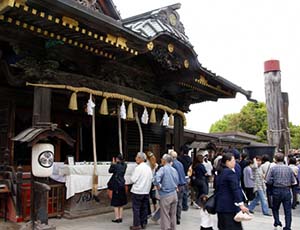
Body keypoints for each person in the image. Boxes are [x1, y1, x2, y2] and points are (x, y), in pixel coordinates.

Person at [215, 152, 249, 230]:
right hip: (229, 207)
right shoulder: (230, 173)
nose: (235, 163)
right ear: (227, 161)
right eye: (233, 161)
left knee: (222, 227)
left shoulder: (220, 172)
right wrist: (241, 205)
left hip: (220, 206)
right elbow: (235, 189)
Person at [266, 152, 297, 230]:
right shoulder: (289, 168)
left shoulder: (273, 169)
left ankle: (277, 220)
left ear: (276, 159)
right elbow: (293, 181)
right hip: (286, 190)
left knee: (275, 207)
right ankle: (288, 226)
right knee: (287, 210)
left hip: (276, 190)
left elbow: (268, 181)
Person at [154, 154, 179, 230]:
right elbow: (177, 181)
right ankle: (172, 228)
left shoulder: (163, 169)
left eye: (161, 159)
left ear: (164, 160)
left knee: (165, 215)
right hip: (174, 194)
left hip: (166, 194)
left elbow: (156, 179)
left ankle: (166, 228)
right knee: (173, 214)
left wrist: (158, 186)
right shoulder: (174, 170)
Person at [130, 152, 153, 230]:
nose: (135, 158)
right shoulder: (148, 168)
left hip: (137, 191)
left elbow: (133, 179)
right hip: (146, 191)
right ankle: (144, 223)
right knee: (144, 207)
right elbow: (151, 179)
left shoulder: (138, 168)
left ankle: (137, 224)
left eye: (136, 157)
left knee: (136, 208)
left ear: (140, 158)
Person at [107, 154, 127, 223]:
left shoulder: (115, 166)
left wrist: (112, 164)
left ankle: (117, 217)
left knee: (115, 202)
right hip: (122, 184)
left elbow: (110, 171)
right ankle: (120, 217)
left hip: (116, 185)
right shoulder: (125, 165)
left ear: (117, 159)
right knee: (121, 203)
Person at [169, 151, 187, 225]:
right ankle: (178, 218)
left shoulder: (172, 164)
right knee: (179, 202)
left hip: (177, 185)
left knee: (173, 203)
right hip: (182, 184)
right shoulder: (180, 163)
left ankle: (173, 219)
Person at [178, 145, 192, 211]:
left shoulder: (180, 158)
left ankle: (180, 206)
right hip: (187, 176)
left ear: (182, 151)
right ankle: (185, 206)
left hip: (180, 177)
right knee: (185, 192)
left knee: (180, 193)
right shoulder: (190, 159)